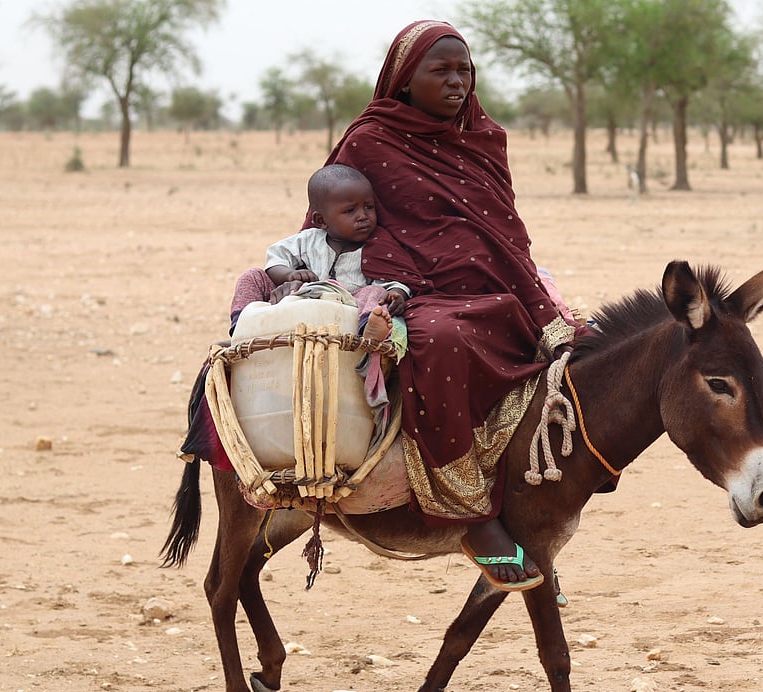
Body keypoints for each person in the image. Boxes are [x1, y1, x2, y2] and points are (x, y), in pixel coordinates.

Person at [310, 20, 584, 592]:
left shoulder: (485, 137)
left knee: (575, 354)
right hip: (411, 289)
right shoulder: (369, 141)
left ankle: (528, 503)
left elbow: (507, 233)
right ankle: (470, 517)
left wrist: (540, 302)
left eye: (464, 69)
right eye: (441, 70)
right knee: (438, 339)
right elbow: (330, 224)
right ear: (406, 80)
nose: (456, 80)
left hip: (493, 285)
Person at [229, 163, 409, 342]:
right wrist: (290, 275)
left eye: (369, 207)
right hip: (301, 303)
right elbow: (276, 258)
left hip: (348, 311)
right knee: (252, 276)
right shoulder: (308, 240)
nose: (363, 216)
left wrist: (397, 293)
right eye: (350, 210)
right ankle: (242, 328)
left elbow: (393, 278)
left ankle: (367, 332)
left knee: (375, 292)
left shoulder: (378, 246)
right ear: (321, 220)